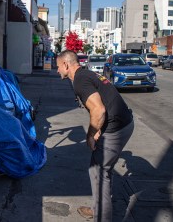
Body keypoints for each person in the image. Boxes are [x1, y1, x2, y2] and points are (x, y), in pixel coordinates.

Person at [56, 50, 134, 221]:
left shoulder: (80, 80)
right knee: (104, 171)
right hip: (124, 123)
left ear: (66, 65)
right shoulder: (87, 74)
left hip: (117, 128)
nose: (57, 71)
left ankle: (101, 216)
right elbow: (101, 105)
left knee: (97, 172)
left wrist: (90, 135)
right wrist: (98, 127)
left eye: (58, 67)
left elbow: (98, 109)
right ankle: (98, 208)